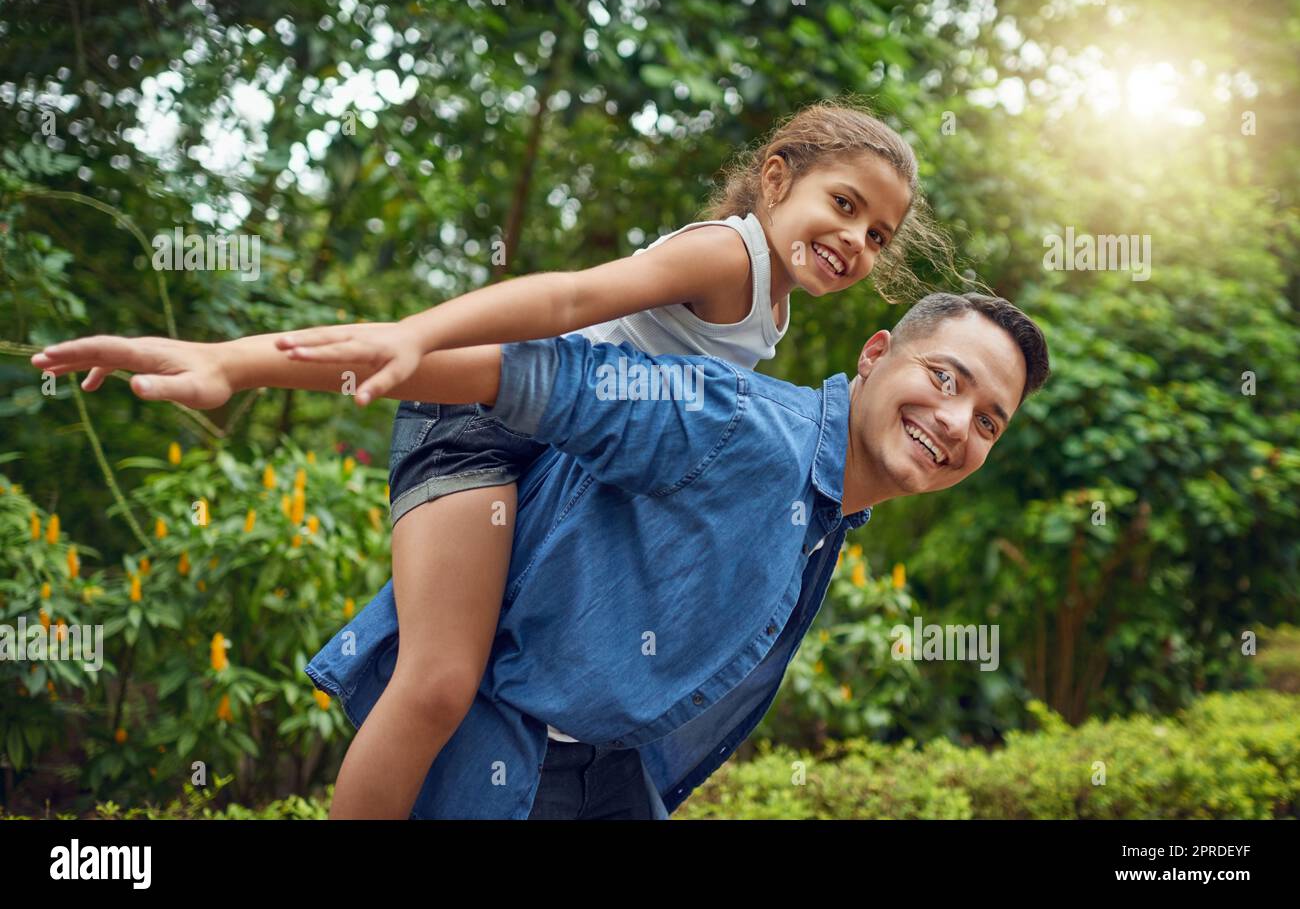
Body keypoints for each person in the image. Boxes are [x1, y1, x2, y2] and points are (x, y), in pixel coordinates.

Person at [31, 290, 1049, 819]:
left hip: (604, 783)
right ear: (876, 355)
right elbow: (515, 371)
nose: (955, 421)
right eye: (946, 377)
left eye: (988, 420)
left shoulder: (827, 505)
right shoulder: (739, 425)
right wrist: (233, 363)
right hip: (497, 770)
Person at [254, 97, 948, 818]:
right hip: (478, 421)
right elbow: (570, 299)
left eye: (877, 234)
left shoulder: (773, 306)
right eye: (843, 203)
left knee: (483, 665)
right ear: (775, 179)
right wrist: (416, 337)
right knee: (438, 682)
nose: (855, 240)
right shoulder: (726, 255)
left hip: (553, 445)